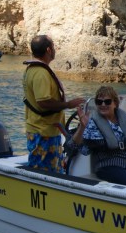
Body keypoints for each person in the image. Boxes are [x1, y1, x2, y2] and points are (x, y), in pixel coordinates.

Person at [67, 86, 126, 188]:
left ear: (115, 103)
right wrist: (82, 127)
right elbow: (72, 146)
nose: (103, 105)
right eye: (99, 102)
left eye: (107, 101)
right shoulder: (92, 123)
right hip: (109, 166)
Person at [23, 35, 84, 173]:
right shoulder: (40, 73)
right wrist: (68, 105)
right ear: (49, 50)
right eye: (54, 46)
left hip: (44, 130)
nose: (55, 50)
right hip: (43, 132)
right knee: (43, 172)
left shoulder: (32, 69)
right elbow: (43, 102)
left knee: (52, 169)